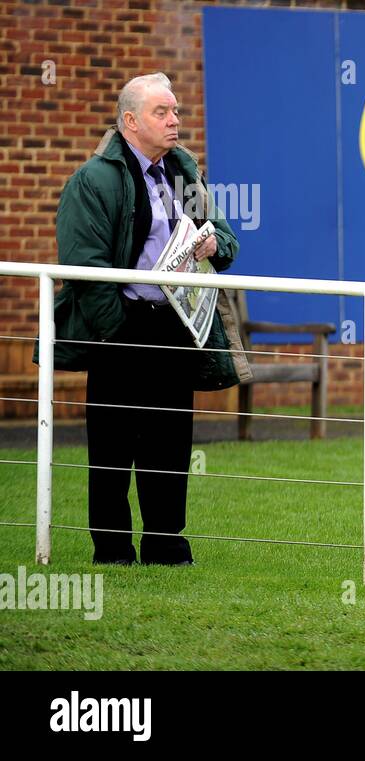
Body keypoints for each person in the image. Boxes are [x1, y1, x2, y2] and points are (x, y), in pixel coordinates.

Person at [47, 72, 243, 565]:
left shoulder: (182, 170)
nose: (175, 120)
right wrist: (115, 329)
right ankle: (112, 549)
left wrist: (213, 242)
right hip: (122, 325)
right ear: (131, 121)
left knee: (170, 441)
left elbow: (225, 238)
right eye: (163, 112)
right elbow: (82, 266)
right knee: (112, 443)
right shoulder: (93, 179)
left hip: (175, 324)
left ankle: (166, 544)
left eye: (176, 111)